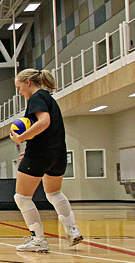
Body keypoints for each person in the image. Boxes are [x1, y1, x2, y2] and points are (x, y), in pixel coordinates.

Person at [9, 69, 83, 252]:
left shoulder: (36, 97)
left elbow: (44, 122)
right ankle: (72, 230)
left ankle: (38, 240)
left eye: (19, 87)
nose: (19, 92)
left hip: (40, 154)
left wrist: (21, 138)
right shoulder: (49, 98)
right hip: (57, 154)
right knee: (54, 193)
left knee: (22, 197)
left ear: (28, 83)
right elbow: (48, 130)